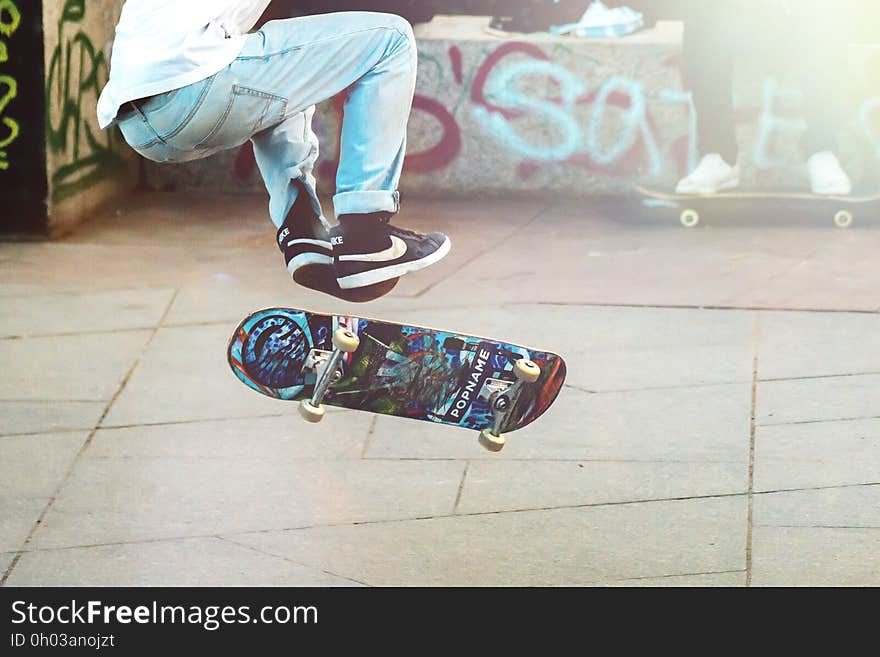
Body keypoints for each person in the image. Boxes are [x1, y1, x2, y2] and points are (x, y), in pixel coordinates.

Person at [97, 0, 451, 301]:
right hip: (194, 84)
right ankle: (366, 229)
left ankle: (301, 231)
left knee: (289, 63)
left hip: (142, 122)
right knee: (392, 38)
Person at [671, 0, 855, 195]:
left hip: (798, 17)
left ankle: (822, 152)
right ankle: (718, 157)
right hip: (738, 16)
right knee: (702, 12)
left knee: (830, 11)